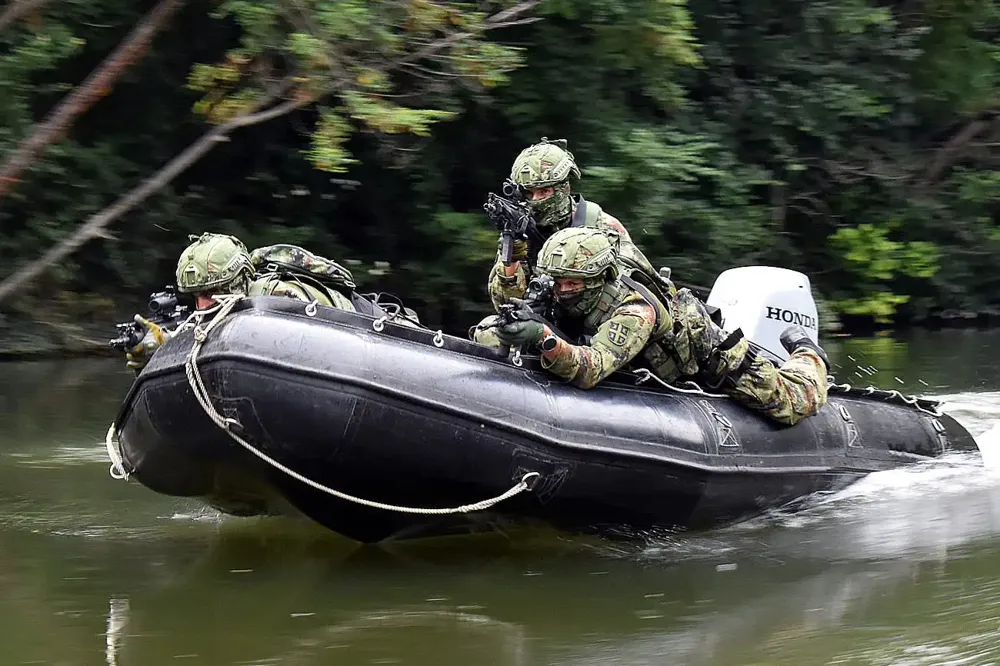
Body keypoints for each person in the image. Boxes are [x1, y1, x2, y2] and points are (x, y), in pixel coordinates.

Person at [493, 227, 830, 426]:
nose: (563, 291)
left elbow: (592, 368)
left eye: (573, 284)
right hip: (649, 370)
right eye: (558, 282)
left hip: (713, 363)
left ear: (600, 278)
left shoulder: (635, 309)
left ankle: (807, 354)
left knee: (793, 404)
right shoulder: (560, 285)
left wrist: (544, 338)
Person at [472, 137, 660, 345]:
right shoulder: (522, 230)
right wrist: (512, 257)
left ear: (563, 188)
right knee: (488, 332)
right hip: (545, 326)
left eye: (544, 191)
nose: (536, 200)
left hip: (597, 337)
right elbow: (506, 305)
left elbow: (627, 294)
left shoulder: (602, 227)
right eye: (529, 193)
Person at [125, 233, 357, 372]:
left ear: (240, 279)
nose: (204, 306)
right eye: (197, 296)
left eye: (213, 292)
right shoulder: (212, 316)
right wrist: (161, 349)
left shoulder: (281, 297)